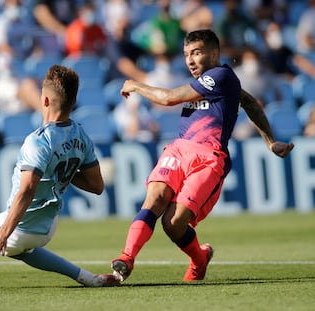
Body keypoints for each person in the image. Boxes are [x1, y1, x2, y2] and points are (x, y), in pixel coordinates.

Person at [110, 29, 294, 283]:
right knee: (154, 198)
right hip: (179, 148)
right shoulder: (222, 83)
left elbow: (169, 98)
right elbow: (250, 103)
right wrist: (270, 141)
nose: (190, 60)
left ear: (214, 52)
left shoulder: (220, 75)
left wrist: (136, 85)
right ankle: (126, 258)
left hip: (208, 157)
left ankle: (199, 259)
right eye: (186, 54)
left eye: (196, 53)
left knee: (173, 223)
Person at [0, 64, 120, 290]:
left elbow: (26, 190)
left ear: (44, 100)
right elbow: (97, 186)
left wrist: (3, 233)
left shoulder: (38, 141)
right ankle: (85, 277)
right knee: (23, 249)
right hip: (48, 226)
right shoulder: (81, 136)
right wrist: (61, 170)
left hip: (21, 226)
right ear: (73, 102)